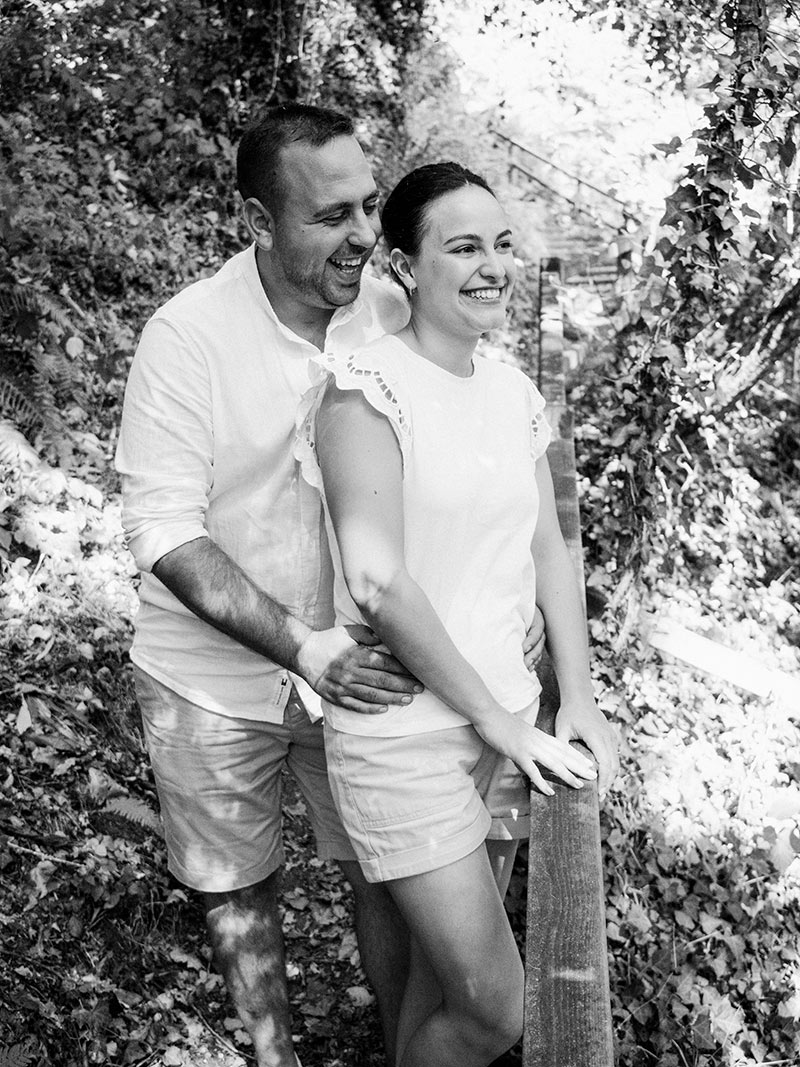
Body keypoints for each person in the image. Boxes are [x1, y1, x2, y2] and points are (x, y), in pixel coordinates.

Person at [115, 103, 546, 1067]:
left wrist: (506, 612)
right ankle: (276, 1052)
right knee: (239, 883)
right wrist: (306, 647)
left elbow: (476, 448)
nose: (362, 235)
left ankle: (397, 1046)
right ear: (256, 220)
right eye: (329, 217)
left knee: (384, 872)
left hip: (367, 674)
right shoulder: (185, 337)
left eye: (367, 206)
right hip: (213, 678)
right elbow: (161, 527)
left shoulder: (388, 309)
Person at [295, 161, 620, 1067]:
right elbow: (379, 582)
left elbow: (549, 547)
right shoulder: (362, 392)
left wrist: (578, 699)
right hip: (407, 738)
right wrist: (497, 723)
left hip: (513, 718)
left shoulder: (514, 391)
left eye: (503, 244)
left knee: (438, 995)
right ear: (403, 265)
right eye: (463, 246)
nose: (493, 266)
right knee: (495, 1009)